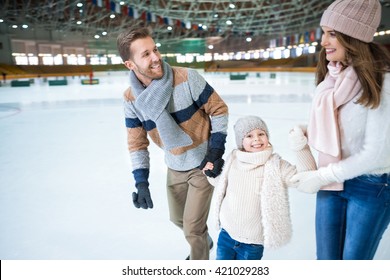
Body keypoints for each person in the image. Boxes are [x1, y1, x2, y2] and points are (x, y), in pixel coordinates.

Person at [116, 25, 229, 260]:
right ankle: (203, 243)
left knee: (193, 229)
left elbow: (218, 109)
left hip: (202, 163)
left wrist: (216, 151)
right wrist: (141, 182)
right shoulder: (131, 98)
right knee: (177, 219)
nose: (156, 57)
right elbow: (136, 143)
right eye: (146, 54)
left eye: (155, 49)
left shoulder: (187, 77)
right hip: (174, 164)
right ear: (130, 64)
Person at [291, 0, 390, 260]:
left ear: (353, 37)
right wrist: (309, 130)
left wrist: (323, 176)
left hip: (371, 186)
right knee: (326, 262)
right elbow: (340, 131)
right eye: (324, 32)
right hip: (333, 182)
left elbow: (376, 153)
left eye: (332, 34)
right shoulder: (333, 77)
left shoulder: (383, 81)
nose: (323, 41)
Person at [204, 116, 316, 260]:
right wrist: (211, 173)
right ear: (240, 142)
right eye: (249, 135)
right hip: (226, 235)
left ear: (267, 137)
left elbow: (307, 180)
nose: (256, 139)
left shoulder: (276, 165)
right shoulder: (233, 159)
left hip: (252, 245)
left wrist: (300, 146)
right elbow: (222, 184)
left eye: (261, 134)